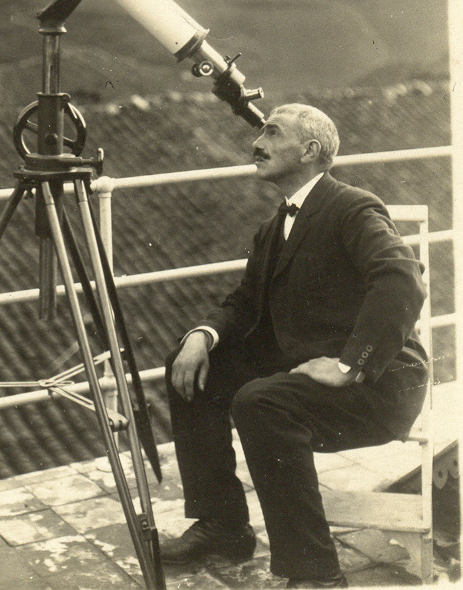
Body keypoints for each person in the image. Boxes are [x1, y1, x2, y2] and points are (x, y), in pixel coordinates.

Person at [161, 103, 428, 588]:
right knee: (194, 366)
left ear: (308, 150)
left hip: (378, 384)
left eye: (271, 132)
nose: (256, 143)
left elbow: (401, 279)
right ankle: (224, 525)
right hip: (312, 371)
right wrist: (202, 335)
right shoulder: (275, 226)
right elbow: (242, 303)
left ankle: (316, 574)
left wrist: (351, 365)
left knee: (261, 403)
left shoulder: (351, 206)